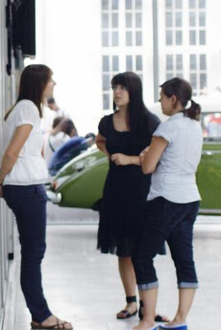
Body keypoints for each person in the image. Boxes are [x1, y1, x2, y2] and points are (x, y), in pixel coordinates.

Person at [0, 64, 74, 330]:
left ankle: (40, 314)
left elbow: (23, 152)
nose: (53, 85)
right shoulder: (28, 109)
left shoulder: (21, 109)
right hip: (25, 187)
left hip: (24, 185)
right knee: (33, 253)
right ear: (40, 83)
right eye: (51, 81)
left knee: (32, 252)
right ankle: (41, 316)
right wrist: (0, 178)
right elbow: (12, 152)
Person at [92, 71, 169, 323]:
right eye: (114, 87)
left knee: (142, 249)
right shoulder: (106, 122)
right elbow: (100, 140)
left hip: (143, 190)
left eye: (122, 88)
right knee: (123, 249)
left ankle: (149, 305)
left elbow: (159, 157)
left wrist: (130, 159)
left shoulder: (149, 122)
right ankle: (131, 302)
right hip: (115, 190)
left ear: (133, 91)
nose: (116, 92)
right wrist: (110, 153)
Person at [131, 78, 204, 330]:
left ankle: (148, 320)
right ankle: (180, 321)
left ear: (174, 99)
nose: (160, 102)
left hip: (166, 199)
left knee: (141, 256)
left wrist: (144, 157)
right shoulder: (195, 125)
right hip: (190, 199)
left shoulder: (168, 127)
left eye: (162, 97)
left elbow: (148, 166)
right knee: (184, 259)